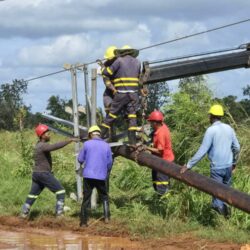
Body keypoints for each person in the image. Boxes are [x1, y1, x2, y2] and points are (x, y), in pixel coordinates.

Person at [180, 104, 240, 217]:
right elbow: (237, 147)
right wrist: (234, 163)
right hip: (228, 167)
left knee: (217, 196)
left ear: (212, 116)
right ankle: (227, 220)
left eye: (209, 115)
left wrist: (188, 165)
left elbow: (202, 150)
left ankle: (218, 223)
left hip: (217, 168)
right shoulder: (229, 128)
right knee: (226, 194)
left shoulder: (211, 130)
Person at [20, 124, 78, 218]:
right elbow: (54, 146)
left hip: (37, 174)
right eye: (47, 133)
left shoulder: (38, 145)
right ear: (42, 135)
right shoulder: (42, 145)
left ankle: (24, 213)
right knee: (61, 191)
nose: (50, 135)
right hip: (43, 174)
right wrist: (70, 140)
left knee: (33, 194)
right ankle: (59, 214)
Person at [99, 45, 141, 145]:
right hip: (134, 95)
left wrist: (102, 69)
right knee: (132, 116)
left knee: (112, 114)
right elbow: (138, 77)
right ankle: (132, 142)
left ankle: (99, 136)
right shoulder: (138, 62)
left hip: (121, 94)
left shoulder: (119, 61)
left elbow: (108, 72)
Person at [78, 125, 113, 227]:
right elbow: (109, 163)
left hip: (88, 176)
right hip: (101, 176)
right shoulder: (106, 145)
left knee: (86, 198)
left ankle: (83, 222)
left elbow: (80, 159)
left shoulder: (87, 144)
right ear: (99, 134)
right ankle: (106, 218)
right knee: (104, 197)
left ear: (90, 134)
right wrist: (106, 171)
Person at [146, 110, 175, 196]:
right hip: (163, 159)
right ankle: (163, 198)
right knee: (157, 180)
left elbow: (160, 150)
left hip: (163, 161)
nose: (150, 124)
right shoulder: (162, 126)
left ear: (155, 123)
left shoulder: (160, 133)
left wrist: (146, 148)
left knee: (161, 184)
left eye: (151, 122)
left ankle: (162, 203)